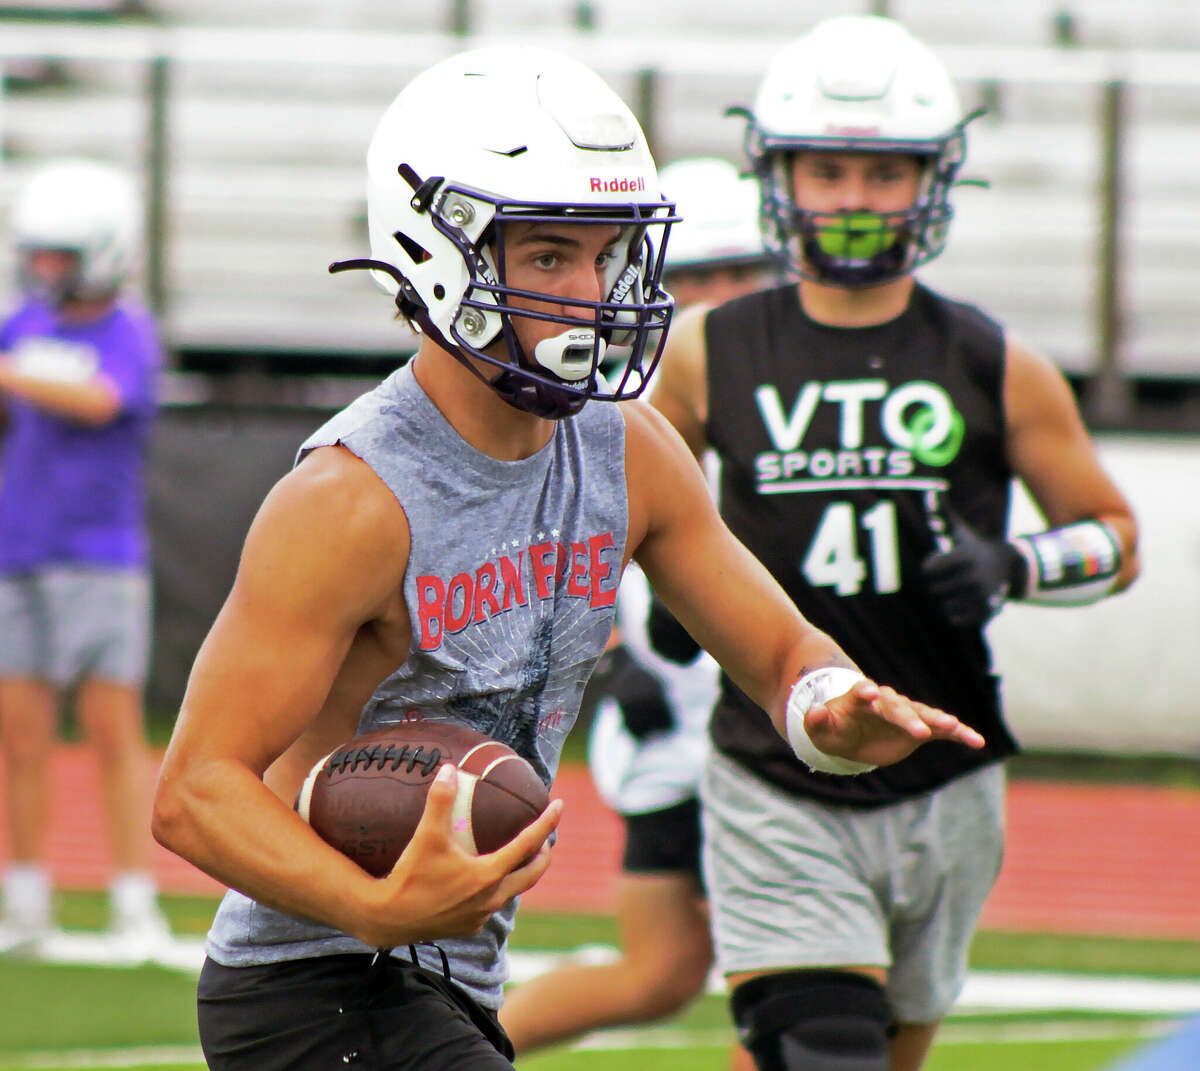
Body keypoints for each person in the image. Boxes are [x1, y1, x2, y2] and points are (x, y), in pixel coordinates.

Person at [149, 45, 985, 1071]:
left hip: (452, 977)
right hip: (308, 988)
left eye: (610, 254)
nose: (592, 293)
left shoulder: (628, 449)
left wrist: (828, 705)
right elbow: (194, 790)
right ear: (435, 254)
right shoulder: (350, 500)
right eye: (548, 257)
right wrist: (371, 906)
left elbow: (775, 651)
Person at [648, 15, 1141, 1071]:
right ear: (780, 177)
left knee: (877, 1052)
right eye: (828, 171)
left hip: (946, 772)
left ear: (935, 181)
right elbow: (622, 499)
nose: (858, 199)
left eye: (885, 171)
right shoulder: (704, 350)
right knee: (821, 1047)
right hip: (775, 765)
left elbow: (1114, 537)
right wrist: (660, 600)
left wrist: (1018, 566)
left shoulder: (993, 359)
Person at [498, 157, 771, 1064]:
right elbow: (537, 552)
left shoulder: (793, 391)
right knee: (690, 970)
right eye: (698, 276)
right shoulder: (599, 403)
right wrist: (611, 658)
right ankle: (444, 1052)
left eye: (742, 273)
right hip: (673, 719)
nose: (721, 297)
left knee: (728, 971)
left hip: (761, 709)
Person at [0, 157, 168, 955]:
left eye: (59, 256)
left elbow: (102, 399)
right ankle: (26, 899)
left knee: (112, 735)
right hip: (18, 551)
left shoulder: (128, 329)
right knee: (20, 738)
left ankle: (134, 899)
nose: (43, 271)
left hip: (99, 557)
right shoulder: (24, 326)